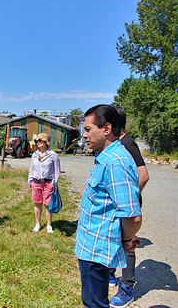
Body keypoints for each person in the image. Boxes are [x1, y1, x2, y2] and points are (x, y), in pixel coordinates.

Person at [74, 104, 142, 308]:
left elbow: (132, 216)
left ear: (106, 129)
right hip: (91, 246)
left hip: (97, 249)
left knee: (94, 303)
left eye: (87, 129)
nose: (84, 135)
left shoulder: (115, 162)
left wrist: (126, 238)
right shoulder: (105, 158)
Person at [108, 106, 149, 308]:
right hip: (119, 203)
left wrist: (128, 199)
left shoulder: (128, 143)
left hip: (127, 204)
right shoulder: (116, 144)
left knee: (128, 244)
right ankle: (110, 273)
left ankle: (127, 287)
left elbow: (144, 175)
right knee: (115, 237)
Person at [27, 133, 61, 233]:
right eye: (36, 141)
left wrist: (54, 183)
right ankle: (37, 224)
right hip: (36, 182)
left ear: (46, 142)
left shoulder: (53, 155)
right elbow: (31, 168)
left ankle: (49, 225)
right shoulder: (34, 155)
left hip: (48, 182)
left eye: (40, 141)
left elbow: (57, 171)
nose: (38, 143)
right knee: (37, 204)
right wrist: (30, 180)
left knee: (48, 204)